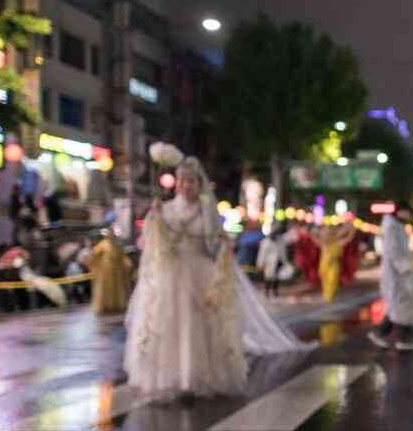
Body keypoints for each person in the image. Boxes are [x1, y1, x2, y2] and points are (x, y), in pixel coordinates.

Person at [125, 157, 308, 397]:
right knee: (169, 324)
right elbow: (154, 245)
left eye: (191, 180)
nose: (186, 185)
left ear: (199, 184)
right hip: (170, 276)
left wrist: (221, 245)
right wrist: (154, 219)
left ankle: (198, 377)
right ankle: (170, 377)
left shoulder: (208, 213)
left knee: (198, 326)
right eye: (182, 180)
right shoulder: (164, 209)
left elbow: (213, 247)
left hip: (200, 273)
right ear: (176, 183)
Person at [370, 205, 413, 351]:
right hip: (396, 275)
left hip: (399, 274)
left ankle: (384, 334)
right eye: (408, 213)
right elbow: (394, 251)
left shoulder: (396, 226)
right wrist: (405, 268)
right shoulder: (392, 227)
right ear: (401, 211)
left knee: (398, 307)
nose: (409, 217)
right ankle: (400, 338)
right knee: (401, 306)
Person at [90, 232, 131, 316]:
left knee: (116, 289)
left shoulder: (117, 245)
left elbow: (122, 257)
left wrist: (126, 264)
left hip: (117, 272)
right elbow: (94, 255)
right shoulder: (102, 245)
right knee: (107, 289)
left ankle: (116, 305)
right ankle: (106, 306)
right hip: (106, 272)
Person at [256, 224, 290, 297]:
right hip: (269, 262)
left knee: (276, 277)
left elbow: (283, 251)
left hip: (278, 262)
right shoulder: (266, 242)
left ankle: (275, 291)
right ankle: (267, 291)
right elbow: (262, 253)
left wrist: (284, 261)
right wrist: (260, 263)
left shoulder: (281, 241)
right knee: (268, 276)